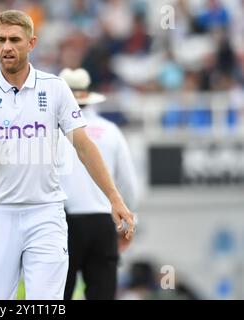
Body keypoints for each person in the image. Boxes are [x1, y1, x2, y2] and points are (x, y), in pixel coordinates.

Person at [0, 10, 135, 300]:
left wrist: (114, 197)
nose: (7, 47)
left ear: (32, 43)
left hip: (45, 213)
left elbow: (85, 147)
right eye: (0, 40)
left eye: (15, 39)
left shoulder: (55, 88)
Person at [57, 68, 139, 300]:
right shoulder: (111, 131)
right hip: (103, 222)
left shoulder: (49, 132)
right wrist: (129, 222)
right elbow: (129, 185)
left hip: (62, 224)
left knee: (57, 297)